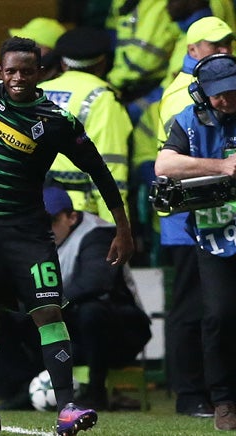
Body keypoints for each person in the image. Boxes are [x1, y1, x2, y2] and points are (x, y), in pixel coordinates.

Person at [0, 36, 133, 435]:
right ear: (0, 71)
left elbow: (100, 171)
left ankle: (67, 406)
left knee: (49, 311)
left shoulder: (57, 121)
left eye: (27, 71)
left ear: (40, 74)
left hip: (27, 233)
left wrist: (123, 227)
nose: (18, 78)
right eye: (11, 71)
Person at [154, 15, 233, 418]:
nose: (226, 100)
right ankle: (197, 395)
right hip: (203, 228)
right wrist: (221, 167)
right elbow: (164, 164)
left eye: (227, 44)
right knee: (204, 311)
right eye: (214, 45)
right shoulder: (181, 104)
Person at [43, 186, 151, 410]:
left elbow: (93, 283)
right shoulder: (41, 240)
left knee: (91, 311)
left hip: (123, 331)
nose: (47, 228)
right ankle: (22, 389)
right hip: (75, 328)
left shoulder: (98, 233)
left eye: (52, 220)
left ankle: (96, 392)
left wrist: (46, 305)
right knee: (13, 314)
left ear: (71, 217)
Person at [39, 27, 132, 223]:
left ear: (63, 64)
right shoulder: (102, 98)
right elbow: (111, 167)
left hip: (28, 207)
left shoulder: (37, 92)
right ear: (103, 63)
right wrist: (116, 226)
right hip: (76, 215)